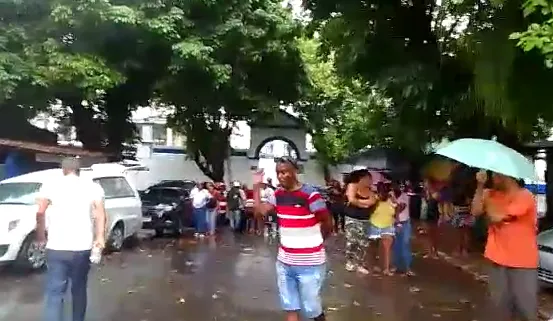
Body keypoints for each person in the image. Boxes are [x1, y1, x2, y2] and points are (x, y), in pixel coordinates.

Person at [253, 157, 332, 321]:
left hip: (310, 263)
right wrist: (256, 187)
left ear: (295, 171)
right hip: (284, 263)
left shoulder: (310, 195)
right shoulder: (277, 195)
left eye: (284, 172)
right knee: (290, 306)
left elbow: (327, 222)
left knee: (312, 309)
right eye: (278, 173)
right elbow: (260, 212)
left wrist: (315, 241)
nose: (280, 176)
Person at [36, 157, 107, 321]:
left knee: (55, 292)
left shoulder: (50, 185)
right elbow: (100, 213)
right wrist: (100, 238)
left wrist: (40, 237)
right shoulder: (92, 187)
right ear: (79, 170)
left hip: (56, 247)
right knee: (79, 289)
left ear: (63, 169)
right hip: (82, 248)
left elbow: (40, 212)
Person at [472, 170, 538, 321]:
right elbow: (475, 211)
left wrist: (487, 202)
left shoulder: (525, 196)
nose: (493, 178)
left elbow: (497, 217)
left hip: (522, 261)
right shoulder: (489, 193)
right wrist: (480, 186)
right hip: (497, 257)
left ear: (507, 176)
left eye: (495, 175)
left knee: (525, 309)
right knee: (498, 307)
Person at [344, 169, 377, 274]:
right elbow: (352, 200)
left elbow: (372, 202)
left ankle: (360, 264)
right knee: (352, 241)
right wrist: (364, 203)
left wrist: (359, 203)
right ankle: (350, 262)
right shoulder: (353, 185)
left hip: (365, 220)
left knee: (363, 243)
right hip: (352, 219)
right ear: (361, 178)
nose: (370, 181)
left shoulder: (371, 191)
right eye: (368, 178)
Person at [368, 182, 396, 276]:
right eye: (381, 191)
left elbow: (396, 209)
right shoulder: (374, 199)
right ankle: (375, 265)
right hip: (375, 225)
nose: (383, 193)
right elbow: (369, 211)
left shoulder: (391, 199)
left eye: (384, 191)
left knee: (387, 249)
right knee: (374, 248)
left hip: (386, 226)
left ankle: (386, 268)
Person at [392, 183, 414, 276]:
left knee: (405, 245)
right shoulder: (390, 195)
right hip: (394, 223)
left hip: (404, 223)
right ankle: (398, 267)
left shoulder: (404, 196)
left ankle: (407, 267)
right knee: (396, 245)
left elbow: (401, 207)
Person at [422, 180, 440, 259]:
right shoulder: (427, 193)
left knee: (434, 236)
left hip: (434, 217)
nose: (425, 185)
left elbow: (439, 206)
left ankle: (435, 252)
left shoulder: (436, 193)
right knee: (428, 235)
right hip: (426, 216)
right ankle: (429, 252)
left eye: (426, 184)